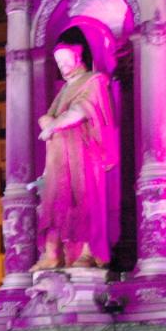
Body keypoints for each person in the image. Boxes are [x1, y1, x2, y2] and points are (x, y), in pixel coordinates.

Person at [33, 41, 118, 270]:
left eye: (65, 59)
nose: (61, 65)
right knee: (54, 202)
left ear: (77, 57)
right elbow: (46, 116)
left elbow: (83, 110)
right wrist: (51, 123)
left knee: (83, 199)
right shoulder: (64, 89)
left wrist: (52, 125)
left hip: (83, 151)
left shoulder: (93, 80)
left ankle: (87, 252)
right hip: (60, 155)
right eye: (58, 62)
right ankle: (53, 253)